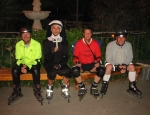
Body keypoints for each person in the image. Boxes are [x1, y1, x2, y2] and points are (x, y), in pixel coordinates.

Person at [100, 29, 142, 98]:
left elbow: (129, 57)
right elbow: (109, 58)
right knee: (109, 67)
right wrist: (118, 66)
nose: (121, 39)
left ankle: (132, 87)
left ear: (125, 38)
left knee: (132, 66)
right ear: (116, 38)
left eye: (123, 37)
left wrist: (124, 65)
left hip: (124, 64)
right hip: (113, 63)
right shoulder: (110, 45)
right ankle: (104, 86)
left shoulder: (128, 45)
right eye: (119, 37)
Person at [8, 27, 43, 105]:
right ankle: (17, 91)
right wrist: (22, 66)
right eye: (23, 34)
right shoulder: (18, 44)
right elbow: (18, 58)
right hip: (23, 64)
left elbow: (37, 58)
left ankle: (37, 91)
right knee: (15, 70)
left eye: (27, 34)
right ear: (21, 36)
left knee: (36, 70)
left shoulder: (36, 44)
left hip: (33, 64)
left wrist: (27, 66)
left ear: (30, 35)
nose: (25, 36)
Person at [71, 27, 105, 100]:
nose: (87, 35)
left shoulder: (95, 44)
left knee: (101, 69)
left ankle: (94, 86)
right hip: (82, 65)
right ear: (83, 34)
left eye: (89, 33)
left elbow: (99, 56)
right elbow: (75, 56)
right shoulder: (79, 43)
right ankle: (82, 87)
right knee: (74, 70)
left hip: (92, 65)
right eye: (86, 33)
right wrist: (77, 62)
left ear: (91, 34)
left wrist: (98, 62)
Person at [43, 20, 71, 103]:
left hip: (61, 63)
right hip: (50, 63)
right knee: (52, 72)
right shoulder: (46, 42)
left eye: (58, 28)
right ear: (51, 29)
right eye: (54, 28)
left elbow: (65, 55)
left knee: (68, 71)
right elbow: (46, 57)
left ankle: (64, 87)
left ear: (60, 30)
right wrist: (52, 51)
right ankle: (50, 88)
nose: (55, 30)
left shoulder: (64, 41)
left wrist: (61, 64)